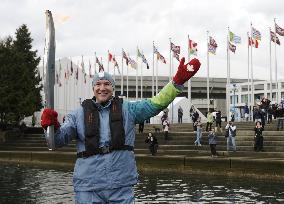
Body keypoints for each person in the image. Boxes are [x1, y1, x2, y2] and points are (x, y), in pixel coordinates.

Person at [40, 57, 201, 203]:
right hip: (88, 187)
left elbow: (156, 103)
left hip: (120, 186)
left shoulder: (128, 109)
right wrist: (51, 126)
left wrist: (176, 82)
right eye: (98, 84)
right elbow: (57, 141)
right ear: (93, 88)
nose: (102, 88)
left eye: (107, 84)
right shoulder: (77, 114)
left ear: (113, 87)